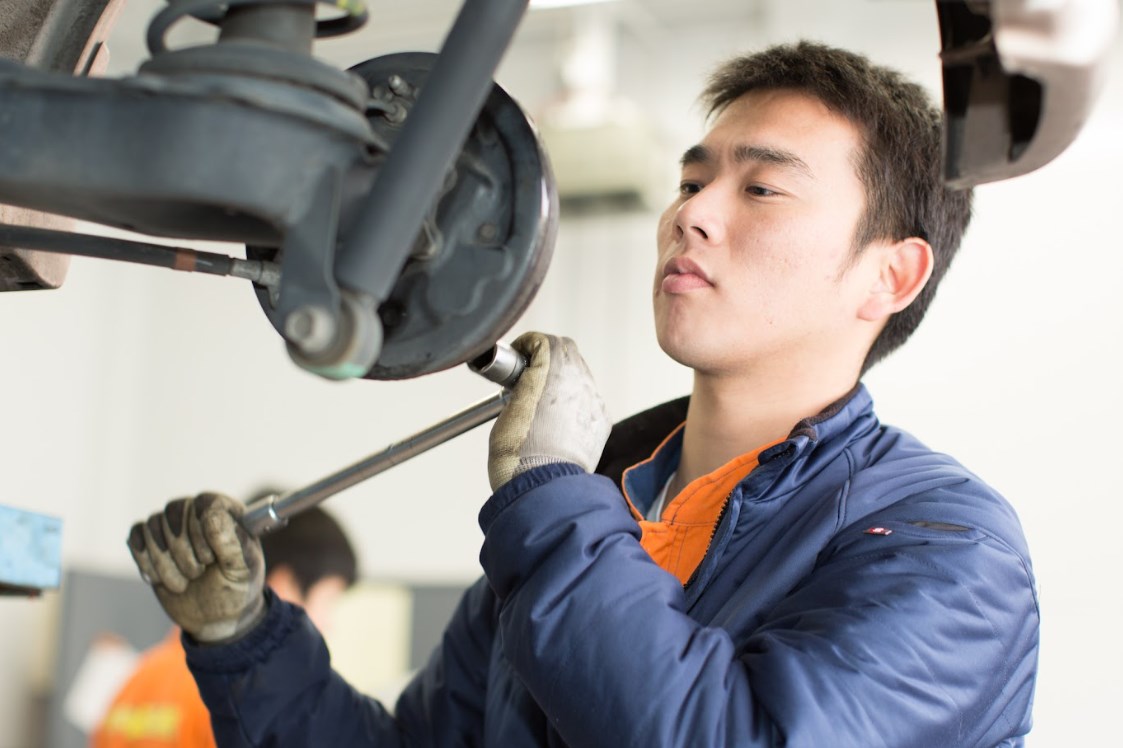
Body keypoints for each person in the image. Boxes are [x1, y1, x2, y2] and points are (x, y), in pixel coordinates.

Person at [126, 41, 1039, 746]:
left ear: (890, 275)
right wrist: (244, 639)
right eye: (690, 180)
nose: (691, 212)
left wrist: (554, 505)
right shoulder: (596, 508)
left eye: (760, 187)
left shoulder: (946, 550)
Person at [96, 500, 357, 747]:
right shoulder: (242, 705)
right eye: (329, 600)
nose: (329, 623)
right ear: (284, 587)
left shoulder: (133, 682)